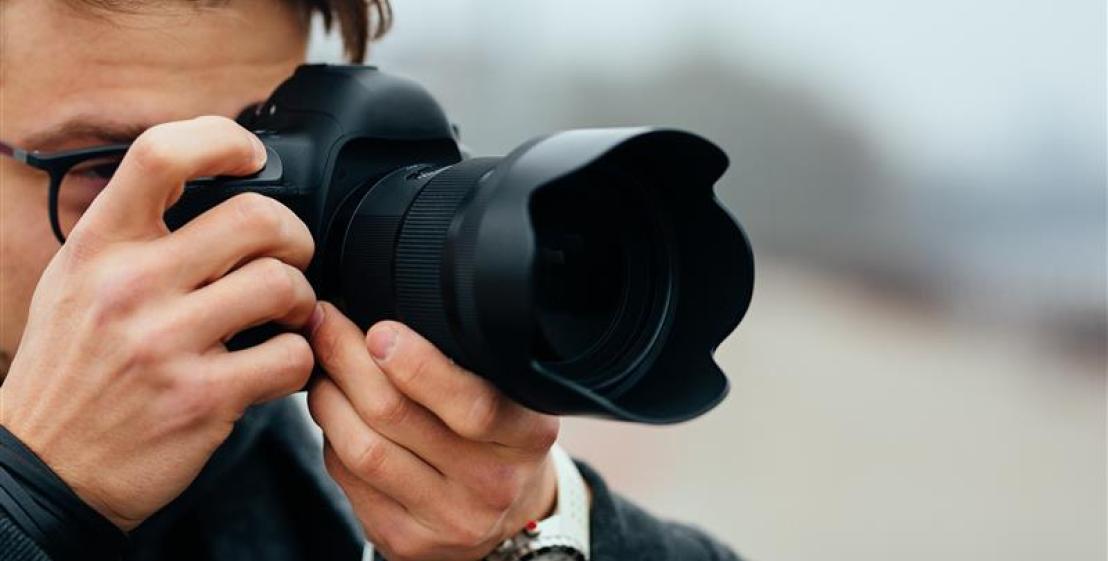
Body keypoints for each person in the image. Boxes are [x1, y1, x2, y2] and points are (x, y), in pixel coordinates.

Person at [0, 1, 742, 560]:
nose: (220, 230)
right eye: (107, 168)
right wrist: (32, 491)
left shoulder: (326, 481)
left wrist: (533, 526)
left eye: (258, 158)